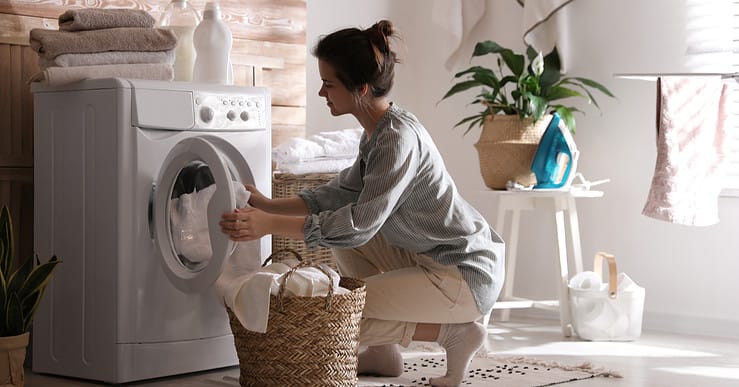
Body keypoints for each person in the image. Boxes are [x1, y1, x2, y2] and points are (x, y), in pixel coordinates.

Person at [220, 19, 505, 387]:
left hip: (463, 273)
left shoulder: (396, 139)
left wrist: (269, 225)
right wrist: (269, 205)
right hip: (434, 256)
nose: (322, 92)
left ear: (361, 88)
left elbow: (359, 223)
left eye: (328, 83)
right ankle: (384, 353)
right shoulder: (378, 132)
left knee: (342, 311)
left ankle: (455, 335)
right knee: (347, 236)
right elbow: (337, 196)